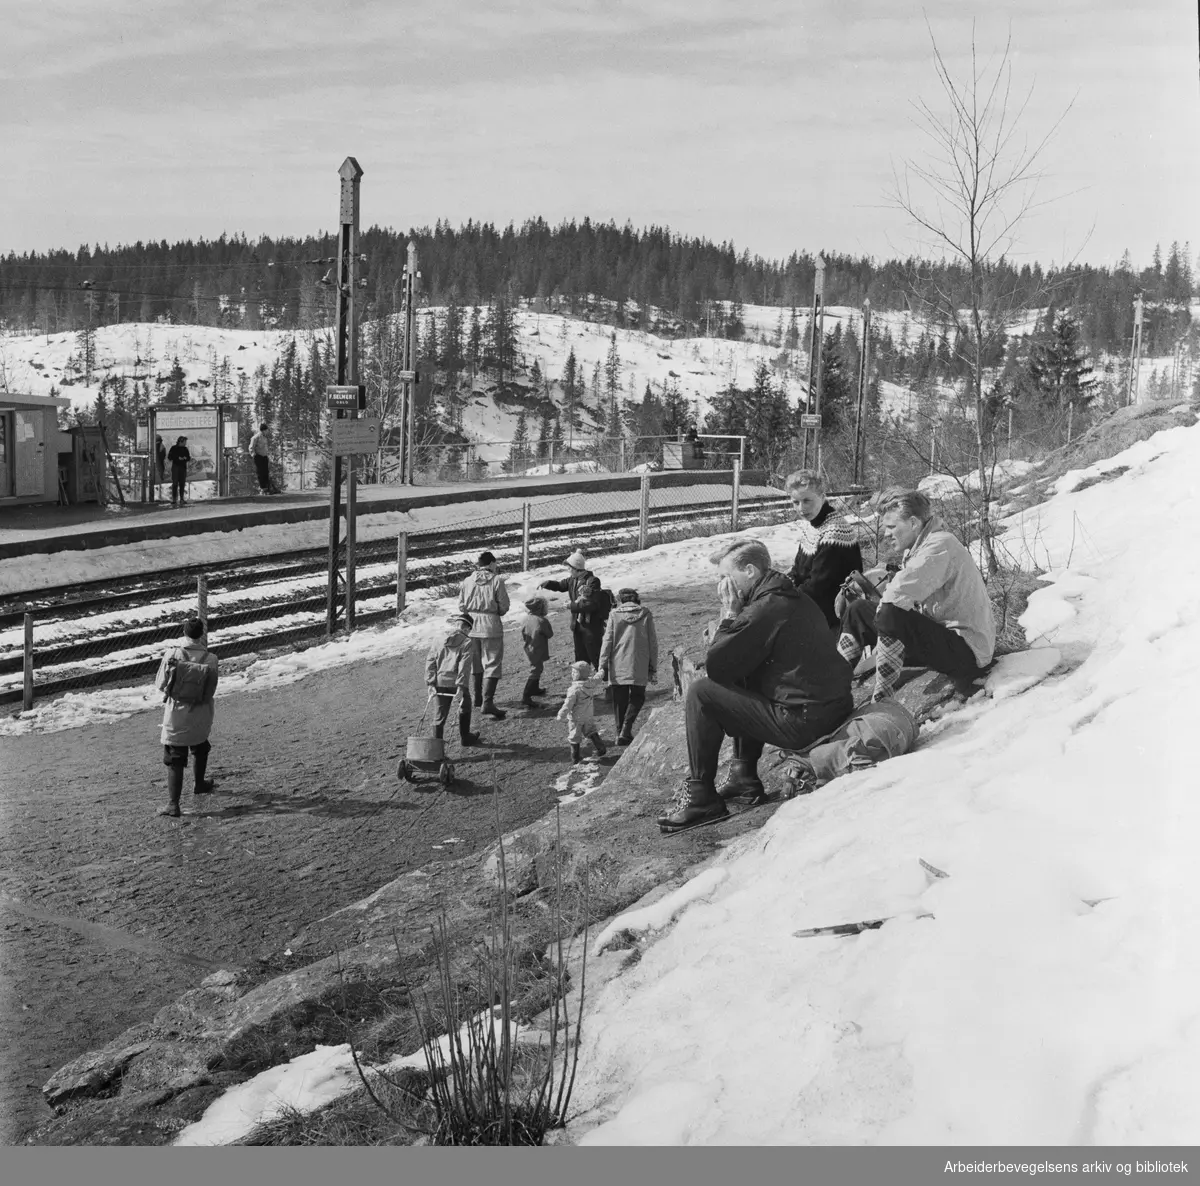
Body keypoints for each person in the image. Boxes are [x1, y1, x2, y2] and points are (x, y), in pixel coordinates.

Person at [658, 538, 854, 832]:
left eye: (726, 577)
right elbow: (735, 665)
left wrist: (729, 613)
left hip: (805, 721)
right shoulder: (788, 595)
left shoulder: (765, 608)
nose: (722, 586)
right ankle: (743, 775)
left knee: (701, 692)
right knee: (744, 673)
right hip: (826, 709)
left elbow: (716, 666)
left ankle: (701, 798)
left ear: (749, 571)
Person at [837, 488, 996, 702]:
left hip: (968, 652)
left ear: (913, 523)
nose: (886, 533)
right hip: (944, 639)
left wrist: (884, 604)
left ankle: (882, 700)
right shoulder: (918, 548)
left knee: (890, 611)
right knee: (858, 610)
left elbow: (896, 598)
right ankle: (834, 685)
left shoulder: (940, 544)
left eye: (892, 526)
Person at [153, 617, 219, 818]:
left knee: (175, 757)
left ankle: (173, 805)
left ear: (184, 633)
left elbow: (160, 684)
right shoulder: (211, 659)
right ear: (202, 635)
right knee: (200, 746)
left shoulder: (173, 655)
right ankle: (199, 784)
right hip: (201, 714)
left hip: (177, 715)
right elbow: (211, 690)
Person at [784, 469, 864, 629]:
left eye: (807, 501)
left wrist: (782, 599)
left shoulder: (833, 531)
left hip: (830, 614)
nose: (801, 508)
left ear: (822, 497)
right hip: (813, 605)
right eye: (795, 502)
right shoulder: (814, 525)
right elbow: (798, 570)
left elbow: (818, 586)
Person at [599, 588, 658, 746]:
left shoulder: (614, 614)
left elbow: (607, 641)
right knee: (638, 697)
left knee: (620, 700)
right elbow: (652, 642)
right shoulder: (646, 614)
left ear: (620, 600)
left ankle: (620, 733)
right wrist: (653, 666)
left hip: (618, 663)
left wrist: (602, 664)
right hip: (640, 661)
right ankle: (627, 728)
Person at [458, 551, 511, 719]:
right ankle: (488, 702)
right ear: (492, 563)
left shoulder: (467, 581)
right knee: (492, 662)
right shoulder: (497, 581)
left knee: (475, 662)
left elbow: (461, 606)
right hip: (490, 625)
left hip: (470, 625)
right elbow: (503, 606)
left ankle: (477, 697)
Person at [539, 551, 610, 669]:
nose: (568, 570)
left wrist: (571, 606)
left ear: (576, 568)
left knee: (596, 655)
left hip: (591, 626)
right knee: (580, 657)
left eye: (569, 568)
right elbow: (560, 586)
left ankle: (609, 683)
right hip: (577, 625)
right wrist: (547, 583)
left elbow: (592, 605)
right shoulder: (572, 579)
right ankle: (581, 683)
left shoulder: (592, 581)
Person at [425, 612, 481, 746]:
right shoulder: (467, 642)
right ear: (467, 628)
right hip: (456, 682)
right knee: (465, 705)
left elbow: (430, 660)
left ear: (456, 624)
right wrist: (461, 687)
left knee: (439, 716)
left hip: (440, 681)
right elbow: (464, 667)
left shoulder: (439, 639)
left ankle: (436, 750)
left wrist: (430, 683)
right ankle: (465, 737)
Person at [557, 660, 608, 764]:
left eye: (575, 672)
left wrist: (561, 714)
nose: (572, 674)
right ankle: (601, 748)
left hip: (576, 718)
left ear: (581, 674)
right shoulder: (590, 683)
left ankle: (575, 758)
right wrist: (601, 670)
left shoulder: (574, 689)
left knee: (574, 736)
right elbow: (597, 678)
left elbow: (568, 704)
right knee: (591, 730)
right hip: (588, 715)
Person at [519, 596, 554, 710]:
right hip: (538, 649)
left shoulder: (527, 619)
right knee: (535, 671)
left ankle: (535, 689)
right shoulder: (541, 620)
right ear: (540, 608)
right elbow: (549, 634)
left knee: (537, 668)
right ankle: (526, 696)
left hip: (529, 648)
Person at [167, 435, 191, 507]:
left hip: (183, 467)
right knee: (175, 483)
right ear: (180, 442)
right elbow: (169, 457)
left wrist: (185, 458)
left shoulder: (185, 449)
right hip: (176, 467)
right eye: (184, 442)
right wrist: (178, 458)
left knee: (182, 483)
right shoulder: (174, 448)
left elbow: (188, 457)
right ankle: (174, 499)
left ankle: (181, 499)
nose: (185, 443)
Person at [249, 423, 272, 495]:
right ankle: (262, 488)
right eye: (266, 430)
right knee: (260, 472)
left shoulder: (265, 437)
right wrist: (253, 455)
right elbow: (251, 447)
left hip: (264, 456)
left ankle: (267, 488)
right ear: (263, 430)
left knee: (266, 472)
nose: (267, 431)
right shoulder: (256, 437)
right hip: (258, 456)